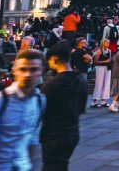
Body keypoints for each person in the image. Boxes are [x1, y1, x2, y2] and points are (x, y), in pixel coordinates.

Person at [0, 49, 45, 171]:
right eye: (23, 69)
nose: (27, 74)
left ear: (41, 72)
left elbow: (31, 140)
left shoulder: (39, 101)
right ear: (15, 71)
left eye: (33, 69)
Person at [42, 40, 87, 171]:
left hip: (53, 135)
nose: (49, 65)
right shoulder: (80, 80)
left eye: (49, 62)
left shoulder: (51, 84)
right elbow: (81, 108)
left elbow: (43, 112)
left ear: (55, 59)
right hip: (72, 132)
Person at [91, 39, 112, 108]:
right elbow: (95, 62)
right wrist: (105, 61)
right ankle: (95, 101)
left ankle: (104, 100)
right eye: (107, 43)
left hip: (107, 68)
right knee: (99, 83)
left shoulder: (109, 51)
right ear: (103, 43)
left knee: (107, 84)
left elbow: (109, 60)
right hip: (100, 68)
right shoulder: (99, 51)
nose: (108, 44)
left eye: (108, 43)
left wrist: (108, 62)